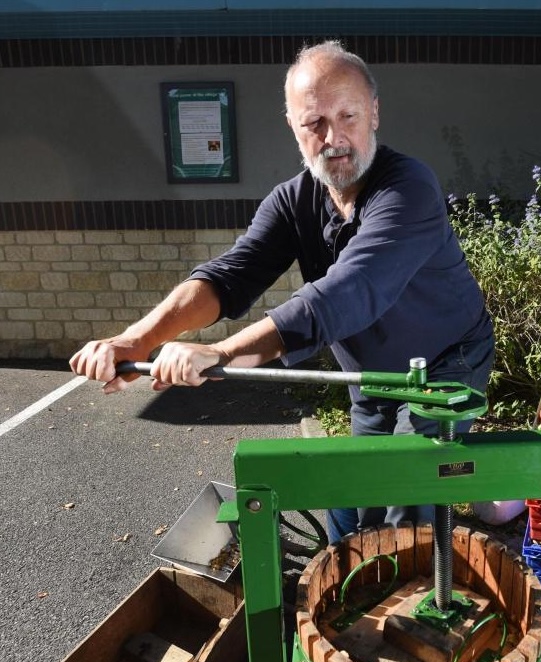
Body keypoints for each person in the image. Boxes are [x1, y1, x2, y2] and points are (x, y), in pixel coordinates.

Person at [70, 40, 494, 543]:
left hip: (446, 362)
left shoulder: (408, 189)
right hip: (374, 373)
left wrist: (222, 352)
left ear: (375, 113)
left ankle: (410, 583)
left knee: (407, 493)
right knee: (360, 496)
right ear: (293, 126)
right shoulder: (293, 201)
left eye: (348, 116)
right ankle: (356, 576)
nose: (334, 137)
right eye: (314, 122)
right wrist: (138, 340)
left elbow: (349, 291)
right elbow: (229, 276)